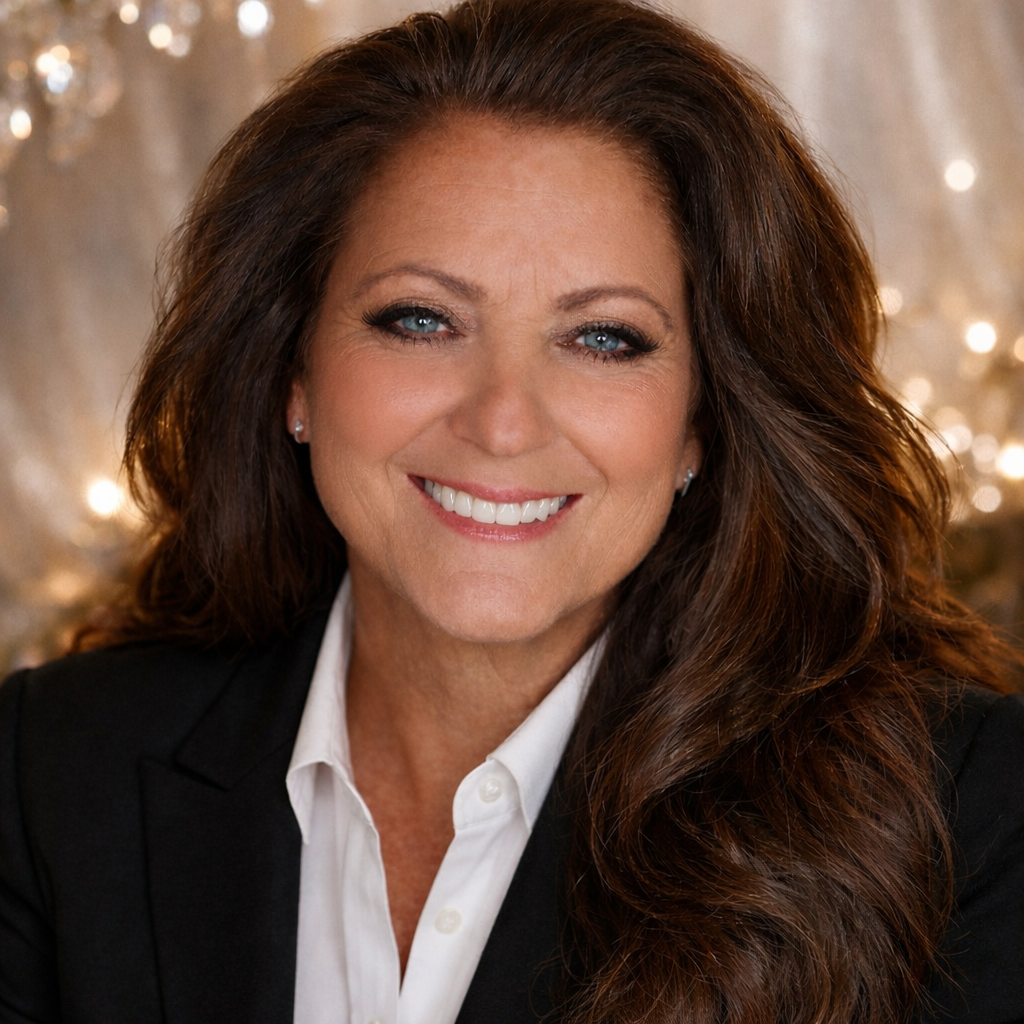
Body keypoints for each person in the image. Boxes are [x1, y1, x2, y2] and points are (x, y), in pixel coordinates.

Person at [2, 0, 1022, 1021]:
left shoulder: (964, 814)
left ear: (701, 418)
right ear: (293, 371)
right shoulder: (52, 769)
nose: (501, 421)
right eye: (420, 319)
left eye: (604, 339)